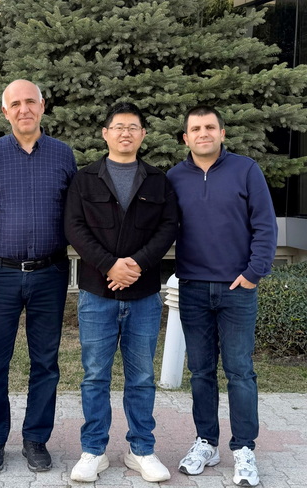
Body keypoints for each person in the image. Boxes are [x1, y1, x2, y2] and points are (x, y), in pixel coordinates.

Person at [64, 102, 178, 483]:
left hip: (143, 295)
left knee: (142, 376)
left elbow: (168, 228)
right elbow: (74, 227)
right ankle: (93, 450)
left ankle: (141, 450)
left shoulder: (158, 181)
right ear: (105, 133)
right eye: (118, 127)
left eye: (133, 127)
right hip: (97, 293)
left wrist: (137, 265)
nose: (125, 133)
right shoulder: (84, 179)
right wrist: (109, 265)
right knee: (95, 375)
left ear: (143, 134)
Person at [166, 105, 277, 488]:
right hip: (193, 288)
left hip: (236, 290)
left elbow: (265, 225)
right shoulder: (174, 177)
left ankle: (244, 448)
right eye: (195, 128)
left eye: (210, 127)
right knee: (200, 372)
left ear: (222, 133)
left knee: (240, 371)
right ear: (186, 137)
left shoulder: (246, 170)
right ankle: (206, 443)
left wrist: (252, 274)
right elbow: (161, 228)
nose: (203, 133)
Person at [0, 79, 77, 473]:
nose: (24, 110)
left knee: (46, 362)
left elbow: (75, 212)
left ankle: (36, 439)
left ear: (42, 106)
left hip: (50, 273)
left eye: (30, 102)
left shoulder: (63, 155)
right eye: (15, 104)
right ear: (6, 112)